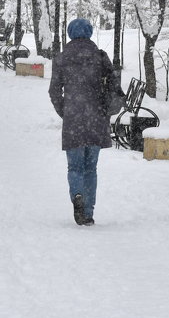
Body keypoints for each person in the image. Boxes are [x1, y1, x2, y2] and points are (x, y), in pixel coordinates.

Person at [48, 18, 118, 226]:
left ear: (70, 33)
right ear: (89, 33)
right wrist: (103, 110)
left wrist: (66, 111)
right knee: (91, 168)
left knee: (75, 167)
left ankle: (77, 195)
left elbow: (53, 91)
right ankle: (88, 212)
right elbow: (113, 87)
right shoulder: (100, 57)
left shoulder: (61, 59)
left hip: (74, 120)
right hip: (95, 119)